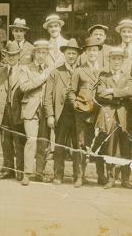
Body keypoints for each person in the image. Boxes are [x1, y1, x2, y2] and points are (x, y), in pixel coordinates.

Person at [95, 46, 132, 188]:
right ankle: (111, 178)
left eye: (119, 59)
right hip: (109, 116)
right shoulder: (103, 77)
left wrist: (112, 90)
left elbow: (129, 91)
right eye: (114, 59)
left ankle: (126, 179)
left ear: (123, 60)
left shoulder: (127, 77)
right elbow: (100, 94)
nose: (116, 61)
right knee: (110, 147)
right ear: (109, 60)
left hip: (124, 116)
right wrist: (119, 96)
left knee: (126, 148)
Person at [44, 38, 81, 185]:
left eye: (73, 53)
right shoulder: (56, 72)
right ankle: (58, 175)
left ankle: (78, 176)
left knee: (78, 145)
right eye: (68, 53)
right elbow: (48, 96)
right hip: (62, 114)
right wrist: (50, 115)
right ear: (64, 54)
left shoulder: (81, 71)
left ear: (77, 55)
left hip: (78, 115)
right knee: (59, 145)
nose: (71, 56)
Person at [19, 40, 53, 185]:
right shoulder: (25, 68)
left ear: (47, 54)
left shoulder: (51, 69)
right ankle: (27, 173)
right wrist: (41, 78)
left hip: (45, 110)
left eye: (44, 53)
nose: (41, 55)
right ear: (34, 53)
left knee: (43, 143)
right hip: (30, 110)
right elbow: (23, 87)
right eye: (38, 52)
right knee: (31, 141)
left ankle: (39, 172)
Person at [71, 36, 104, 186]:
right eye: (89, 50)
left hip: (99, 112)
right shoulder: (79, 70)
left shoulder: (103, 70)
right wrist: (76, 104)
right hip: (82, 113)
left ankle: (101, 176)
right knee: (81, 143)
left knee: (98, 144)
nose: (92, 53)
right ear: (85, 52)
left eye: (95, 50)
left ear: (98, 52)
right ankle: (79, 176)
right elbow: (71, 92)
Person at [0, 40, 26, 180]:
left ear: (19, 55)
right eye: (9, 55)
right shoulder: (1, 71)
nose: (11, 57)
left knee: (19, 141)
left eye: (14, 55)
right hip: (4, 110)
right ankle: (8, 170)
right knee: (5, 141)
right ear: (5, 56)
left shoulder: (25, 70)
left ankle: (20, 170)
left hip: (18, 110)